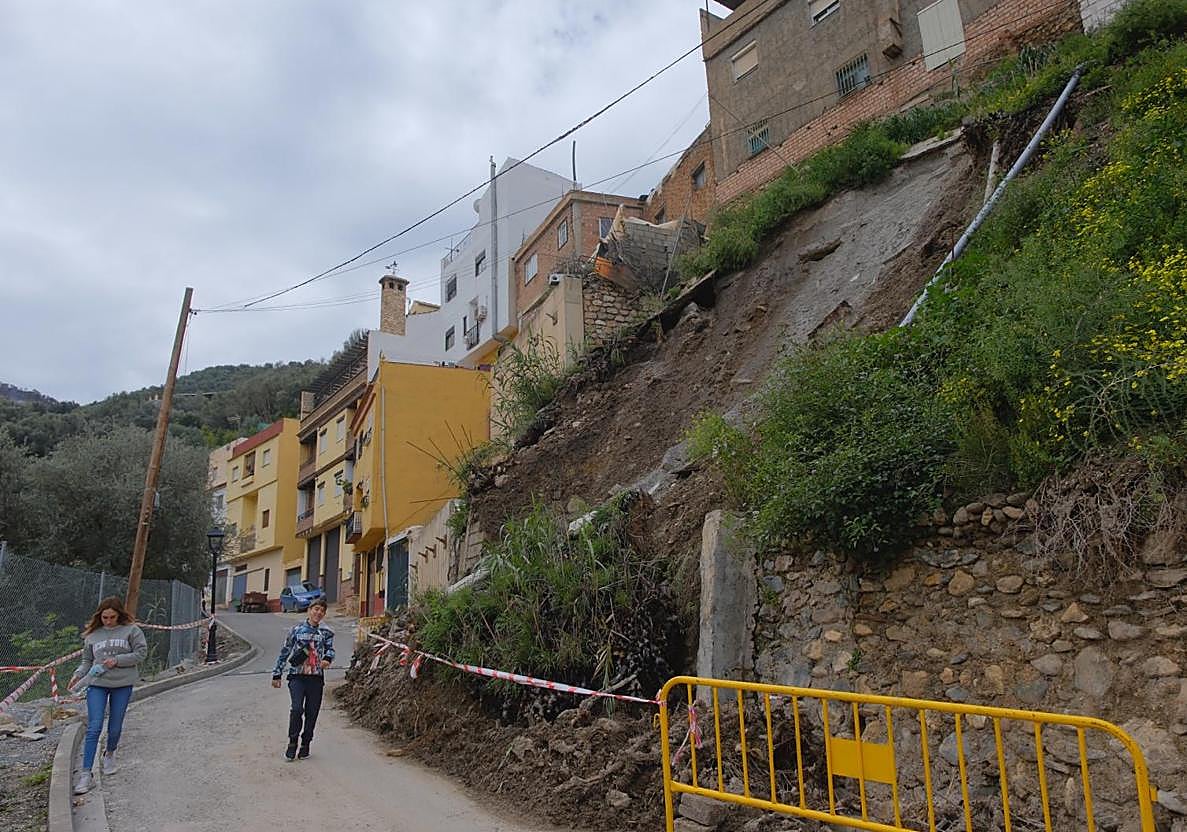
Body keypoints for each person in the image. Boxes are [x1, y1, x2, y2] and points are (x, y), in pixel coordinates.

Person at [67, 597, 148, 795]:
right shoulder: (93, 635)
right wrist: (78, 674)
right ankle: (86, 775)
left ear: (119, 615)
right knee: (94, 726)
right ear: (99, 616)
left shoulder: (132, 630)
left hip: (122, 683)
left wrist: (118, 660)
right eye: (105, 617)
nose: (108, 621)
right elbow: (87, 660)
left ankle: (110, 752)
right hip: (97, 683)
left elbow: (141, 653)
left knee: (115, 727)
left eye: (112, 617)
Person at [271, 598, 334, 760]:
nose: (318, 613)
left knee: (312, 712)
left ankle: (306, 743)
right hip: (297, 676)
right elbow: (285, 651)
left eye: (322, 611)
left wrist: (327, 658)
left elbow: (330, 650)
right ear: (309, 610)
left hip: (316, 678)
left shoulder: (326, 632)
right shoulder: (296, 630)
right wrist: (277, 674)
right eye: (316, 609)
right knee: (297, 709)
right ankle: (292, 742)